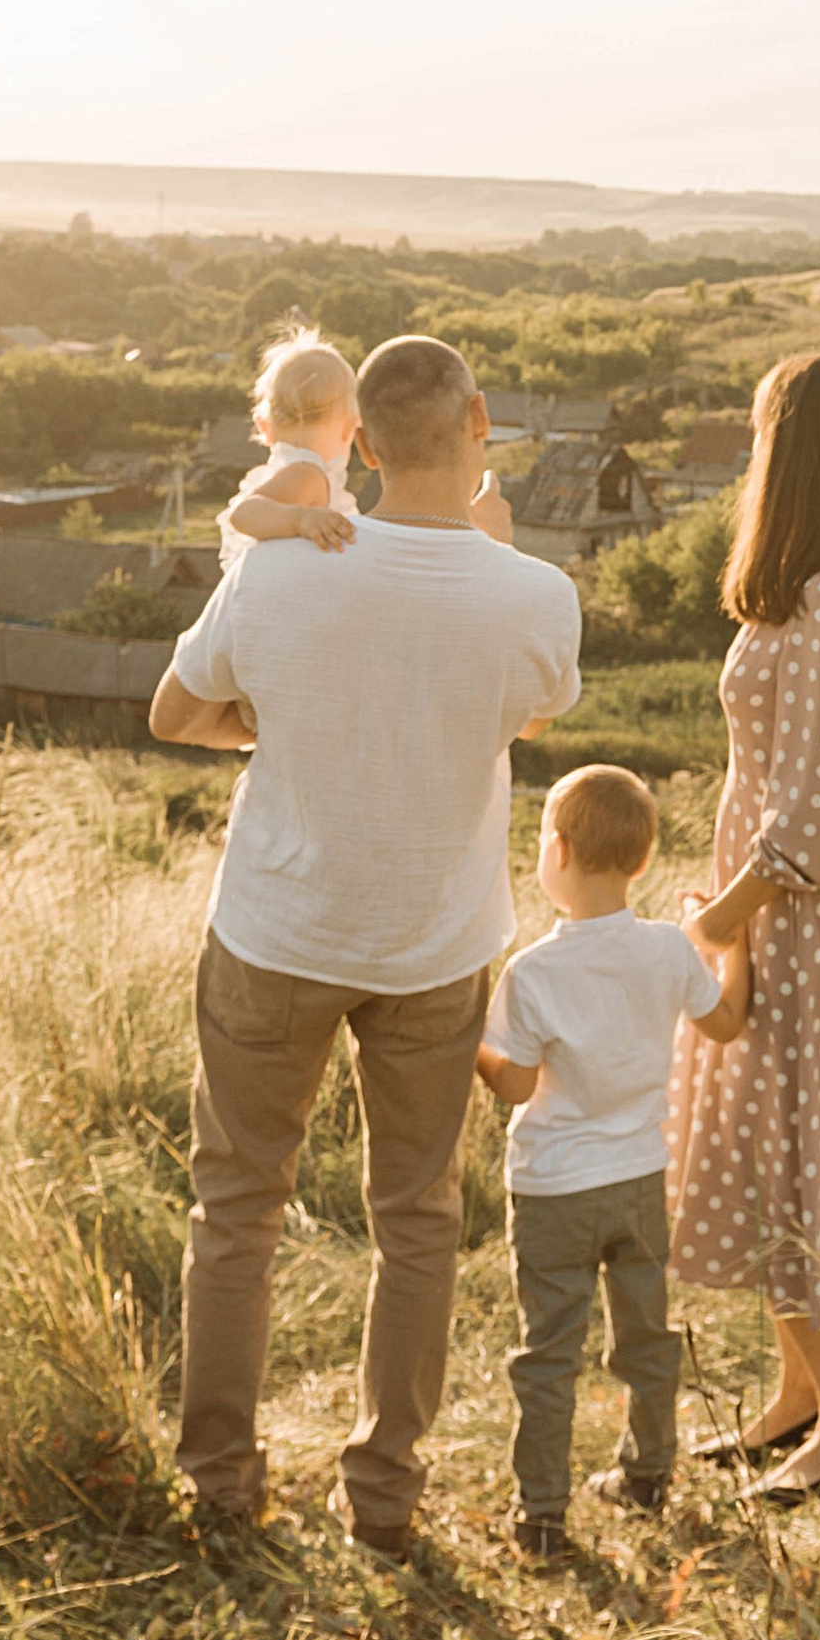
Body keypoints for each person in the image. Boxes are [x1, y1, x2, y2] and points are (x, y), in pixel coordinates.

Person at [149, 335, 582, 1554]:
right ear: (481, 420)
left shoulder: (280, 574)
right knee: (416, 1217)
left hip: (275, 929)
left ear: (361, 443)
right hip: (434, 944)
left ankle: (223, 1484)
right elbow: (529, 706)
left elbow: (173, 714)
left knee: (236, 1206)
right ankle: (382, 1496)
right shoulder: (534, 596)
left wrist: (282, 727)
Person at [668, 352, 820, 1503]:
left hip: (799, 913)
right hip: (798, 904)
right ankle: (799, 1395)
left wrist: (711, 923)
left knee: (783, 1160)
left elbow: (807, 812)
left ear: (786, 449)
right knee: (779, 1147)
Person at [476, 764, 750, 1565]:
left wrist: (475, 1048)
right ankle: (648, 1472)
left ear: (554, 852)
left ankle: (541, 1517)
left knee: (548, 1352)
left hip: (553, 1187)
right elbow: (726, 1021)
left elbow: (517, 1083)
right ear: (641, 859)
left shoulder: (531, 971)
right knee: (646, 1336)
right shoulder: (668, 947)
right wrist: (731, 948)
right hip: (637, 1180)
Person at [220, 325, 516, 559]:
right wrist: (301, 519)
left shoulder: (303, 475)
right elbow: (244, 513)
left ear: (265, 427)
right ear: (353, 431)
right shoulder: (308, 473)